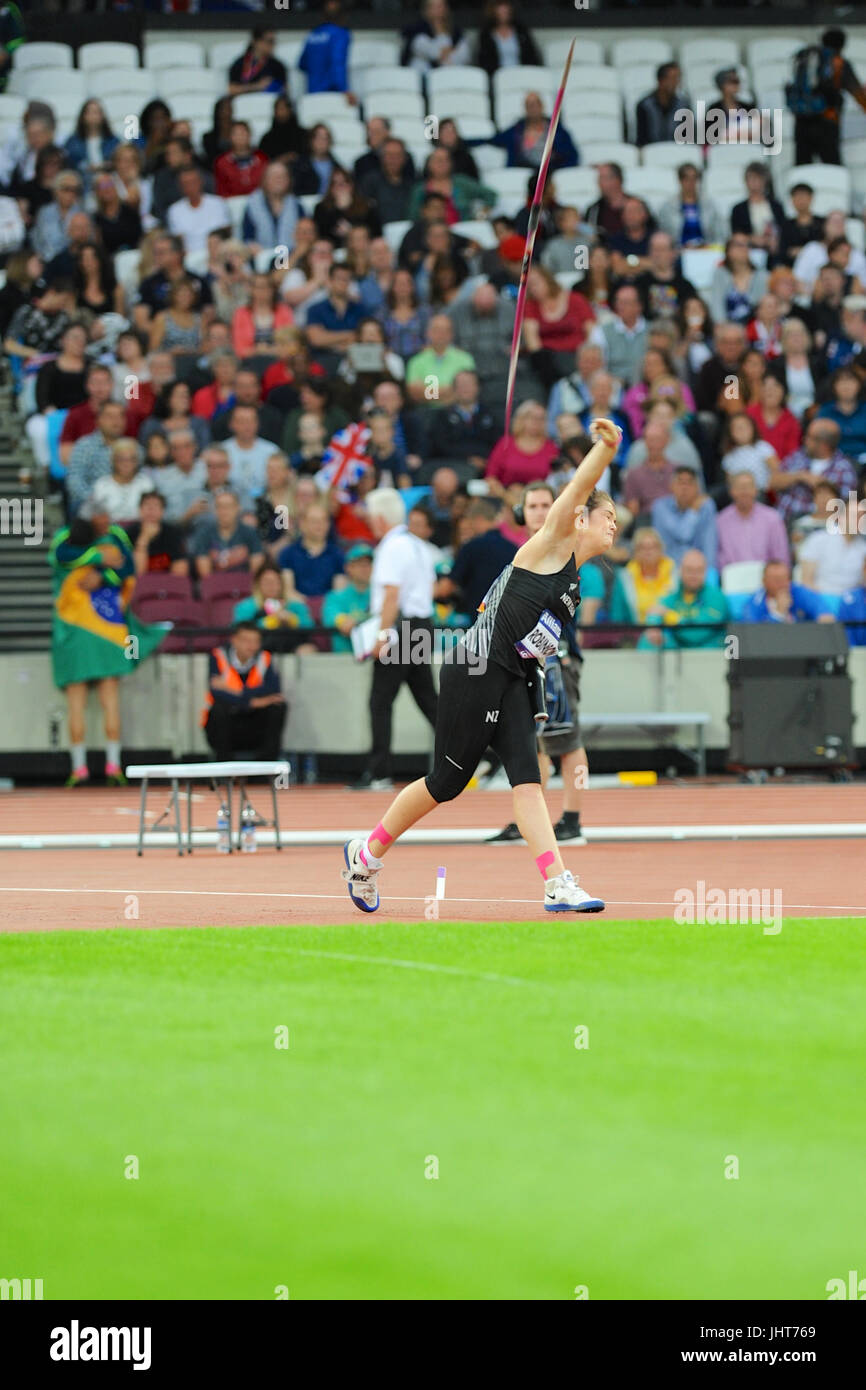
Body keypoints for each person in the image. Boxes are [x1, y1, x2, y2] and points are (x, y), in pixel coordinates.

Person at [341, 422, 622, 914]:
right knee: (445, 783)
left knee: (527, 779)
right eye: (608, 516)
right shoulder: (551, 543)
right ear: (580, 519)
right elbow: (578, 488)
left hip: (511, 677)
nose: (615, 525)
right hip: (474, 668)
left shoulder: (575, 576)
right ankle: (365, 855)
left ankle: (557, 883)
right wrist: (606, 448)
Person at [487, 480, 591, 846]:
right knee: (537, 741)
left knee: (567, 737)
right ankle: (534, 819)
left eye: (547, 505)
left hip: (557, 654)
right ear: (521, 513)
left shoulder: (566, 546)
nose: (540, 512)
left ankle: (574, 820)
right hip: (527, 655)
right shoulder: (526, 550)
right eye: (532, 506)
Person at [48, 512, 167, 786]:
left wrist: (100, 573)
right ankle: (108, 766)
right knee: (104, 699)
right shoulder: (107, 544)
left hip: (78, 630)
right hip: (102, 629)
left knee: (84, 702)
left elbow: (59, 557)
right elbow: (126, 569)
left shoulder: (75, 542)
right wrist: (101, 562)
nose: (106, 523)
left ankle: (84, 769)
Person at [353, 488, 438, 792]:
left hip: (400, 628)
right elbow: (429, 586)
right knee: (428, 699)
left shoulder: (390, 548)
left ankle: (379, 773)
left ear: (379, 518)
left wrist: (381, 636)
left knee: (380, 701)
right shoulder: (417, 545)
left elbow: (391, 595)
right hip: (420, 625)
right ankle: (472, 755)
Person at [202, 621, 287, 762]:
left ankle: (266, 768)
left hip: (255, 723)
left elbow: (273, 689)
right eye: (246, 641)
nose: (252, 646)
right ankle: (224, 766)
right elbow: (217, 692)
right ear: (234, 640)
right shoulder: (218, 656)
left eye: (256, 641)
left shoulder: (264, 658)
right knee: (218, 709)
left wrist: (235, 691)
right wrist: (252, 702)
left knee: (278, 707)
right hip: (228, 720)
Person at [790, 27, 866, 167]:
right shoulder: (838, 63)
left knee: (802, 167)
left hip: (801, 121)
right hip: (827, 121)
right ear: (842, 45)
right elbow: (857, 93)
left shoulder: (807, 58)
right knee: (832, 167)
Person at [643, 549, 728, 650]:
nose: (693, 575)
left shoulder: (717, 598)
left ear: (706, 572)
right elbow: (656, 612)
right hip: (678, 655)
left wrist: (669, 616)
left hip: (710, 655)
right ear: (680, 571)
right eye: (689, 570)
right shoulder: (674, 594)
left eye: (698, 570)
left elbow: (696, 634)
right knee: (646, 640)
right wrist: (653, 627)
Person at [716, 471, 790, 571]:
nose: (744, 492)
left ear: (756, 490)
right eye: (740, 487)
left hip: (767, 580)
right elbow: (718, 558)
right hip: (732, 580)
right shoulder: (720, 521)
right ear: (731, 491)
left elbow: (781, 556)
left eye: (748, 487)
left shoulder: (772, 518)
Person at [651, 466, 718, 568]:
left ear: (698, 488)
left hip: (697, 571)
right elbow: (683, 534)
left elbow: (710, 545)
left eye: (690, 483)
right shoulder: (661, 507)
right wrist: (693, 511)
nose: (684, 487)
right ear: (671, 486)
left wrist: (710, 572)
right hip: (668, 571)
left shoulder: (706, 506)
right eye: (680, 482)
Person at [742, 560, 836, 623]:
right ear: (764, 581)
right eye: (777, 580)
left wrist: (824, 616)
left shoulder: (799, 592)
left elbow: (822, 611)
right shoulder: (755, 602)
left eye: (786, 579)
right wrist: (778, 614)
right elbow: (753, 634)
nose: (783, 584)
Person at [658, 162, 724, 249]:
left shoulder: (710, 205)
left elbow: (719, 233)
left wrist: (710, 247)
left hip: (706, 251)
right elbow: (663, 234)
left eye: (694, 178)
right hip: (677, 252)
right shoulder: (667, 207)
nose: (690, 183)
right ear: (680, 180)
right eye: (686, 179)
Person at [322, 543, 373, 653]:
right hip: (344, 659)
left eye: (369, 564)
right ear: (348, 568)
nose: (365, 569)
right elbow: (334, 618)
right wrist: (343, 621)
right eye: (359, 564)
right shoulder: (335, 597)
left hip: (377, 658)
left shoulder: (382, 596)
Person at [126, 490, 188, 577]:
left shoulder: (173, 532)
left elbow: (180, 570)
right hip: (140, 586)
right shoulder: (129, 533)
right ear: (140, 510)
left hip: (167, 583)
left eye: (156, 505)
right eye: (147, 505)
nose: (151, 509)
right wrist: (144, 538)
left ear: (163, 511)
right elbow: (137, 572)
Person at [298, 0, 353, 98]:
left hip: (312, 95)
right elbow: (337, 62)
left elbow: (302, 64)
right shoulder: (340, 34)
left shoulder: (313, 35)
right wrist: (344, 90)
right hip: (333, 94)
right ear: (344, 15)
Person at [402, 0, 471, 74]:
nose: (437, 11)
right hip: (423, 76)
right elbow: (429, 51)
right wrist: (447, 51)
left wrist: (445, 54)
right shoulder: (416, 30)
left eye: (440, 6)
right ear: (425, 10)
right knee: (419, 62)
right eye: (432, 7)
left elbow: (464, 55)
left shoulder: (455, 32)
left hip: (450, 73)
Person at [476, 1, 541, 74]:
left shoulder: (521, 31)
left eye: (506, 6)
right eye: (500, 7)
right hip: (498, 77)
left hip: (522, 74)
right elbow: (484, 61)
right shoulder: (486, 34)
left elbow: (532, 56)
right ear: (493, 10)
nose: (504, 10)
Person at [636, 62, 686, 147]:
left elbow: (686, 137)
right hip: (651, 151)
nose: (676, 83)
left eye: (678, 79)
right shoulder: (645, 105)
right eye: (673, 79)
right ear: (661, 80)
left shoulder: (684, 105)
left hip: (677, 150)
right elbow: (642, 138)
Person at [228, 27, 287, 97]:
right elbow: (232, 89)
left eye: (274, 41)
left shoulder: (277, 66)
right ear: (256, 41)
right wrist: (257, 86)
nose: (273, 45)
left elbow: (284, 91)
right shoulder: (240, 63)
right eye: (270, 41)